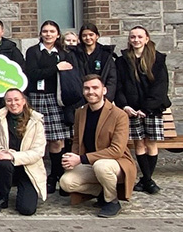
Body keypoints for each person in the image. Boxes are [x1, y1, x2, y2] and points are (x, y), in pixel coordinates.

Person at [60, 74, 137, 218]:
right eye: (87, 88)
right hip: (90, 162)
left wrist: (81, 159)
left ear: (104, 90)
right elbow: (77, 140)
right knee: (66, 182)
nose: (91, 92)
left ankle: (112, 201)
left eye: (95, 88)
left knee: (101, 166)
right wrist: (73, 158)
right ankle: (103, 191)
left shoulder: (119, 115)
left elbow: (117, 150)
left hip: (116, 163)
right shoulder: (80, 112)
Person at [115, 26, 170, 194]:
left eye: (139, 37)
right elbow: (119, 86)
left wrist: (146, 109)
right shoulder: (122, 61)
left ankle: (146, 180)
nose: (136, 40)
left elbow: (161, 87)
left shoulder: (157, 59)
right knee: (139, 144)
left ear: (146, 39)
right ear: (129, 40)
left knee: (151, 144)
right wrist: (125, 106)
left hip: (151, 109)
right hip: (132, 109)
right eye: (133, 37)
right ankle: (147, 181)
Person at [0, 88, 47, 216]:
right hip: (4, 167)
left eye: (16, 100)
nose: (13, 103)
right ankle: (2, 197)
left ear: (23, 101)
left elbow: (38, 151)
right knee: (3, 163)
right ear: (5, 102)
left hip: (28, 168)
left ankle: (23, 193)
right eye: (9, 100)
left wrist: (13, 155)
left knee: (27, 210)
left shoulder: (36, 122)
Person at [24, 20, 72, 195]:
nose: (48, 34)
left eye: (52, 31)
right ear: (41, 34)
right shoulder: (33, 52)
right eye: (45, 31)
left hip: (57, 98)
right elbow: (33, 73)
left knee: (58, 141)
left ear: (58, 34)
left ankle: (57, 175)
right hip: (37, 97)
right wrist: (55, 68)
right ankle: (39, 176)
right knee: (37, 139)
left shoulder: (64, 53)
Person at [74, 23, 117, 100]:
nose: (88, 38)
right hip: (80, 98)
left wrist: (106, 98)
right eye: (84, 35)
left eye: (91, 35)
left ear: (97, 36)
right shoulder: (74, 54)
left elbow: (112, 78)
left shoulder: (105, 54)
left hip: (101, 98)